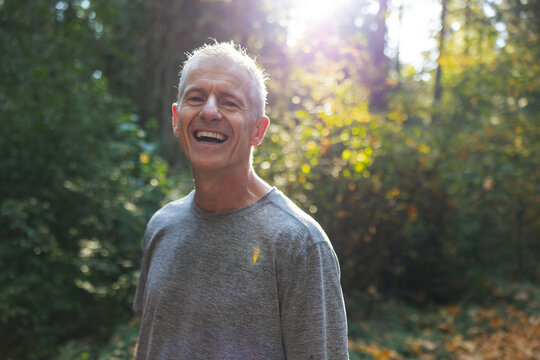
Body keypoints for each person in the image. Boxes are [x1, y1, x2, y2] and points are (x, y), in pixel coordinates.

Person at [133, 41, 349, 359]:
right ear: (177, 119)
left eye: (230, 102)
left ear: (258, 131)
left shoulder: (299, 244)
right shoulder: (161, 226)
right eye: (196, 97)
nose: (209, 111)